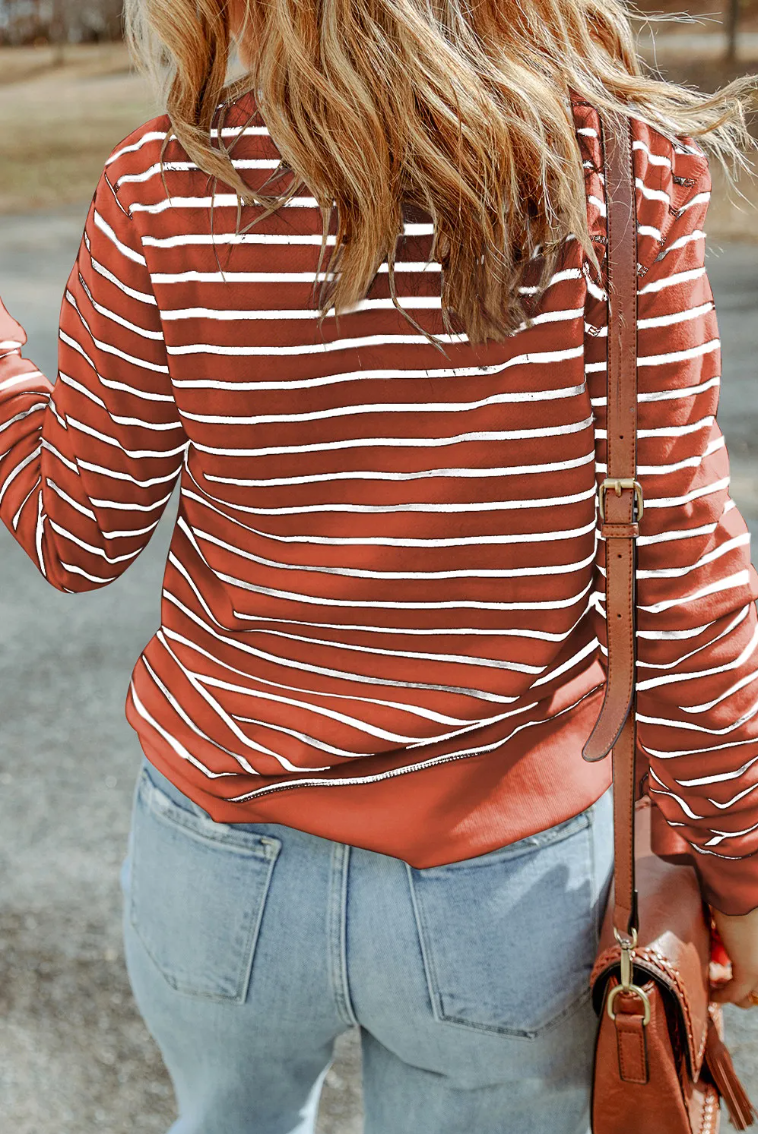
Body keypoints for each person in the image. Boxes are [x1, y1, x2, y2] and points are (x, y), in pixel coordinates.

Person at [2, 0, 758, 1130]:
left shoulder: (160, 186)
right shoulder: (617, 176)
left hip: (219, 863)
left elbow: (77, 535)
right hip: (505, 891)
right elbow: (684, 583)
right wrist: (737, 862)